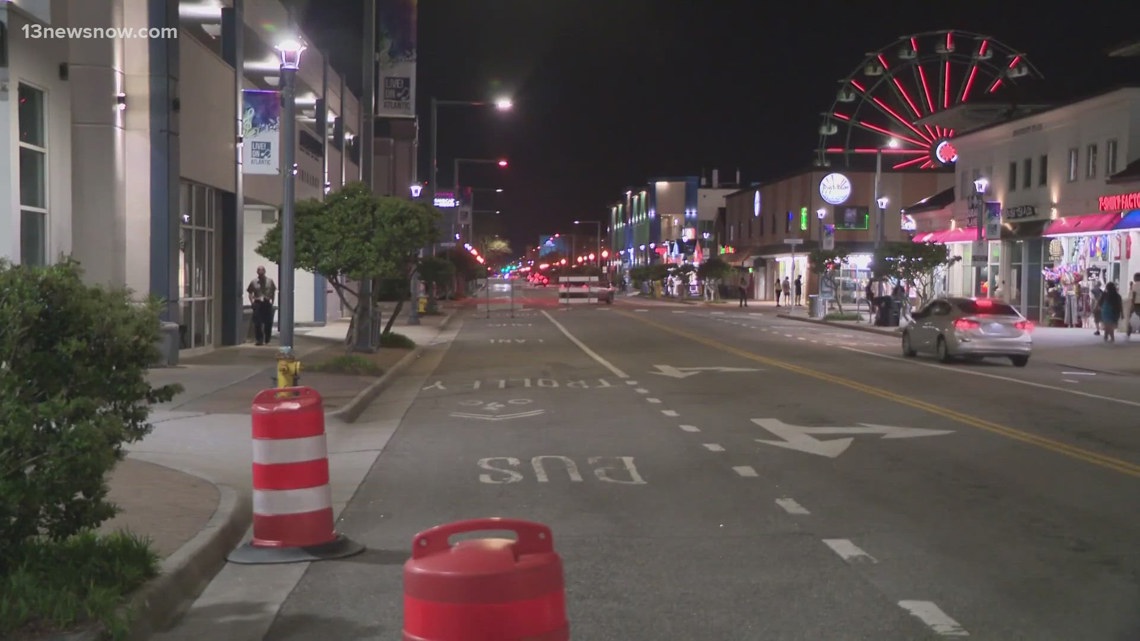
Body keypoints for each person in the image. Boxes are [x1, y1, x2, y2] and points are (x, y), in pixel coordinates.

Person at [247, 265, 277, 345]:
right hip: (258, 303)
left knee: (268, 322)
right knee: (257, 322)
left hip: (267, 303)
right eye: (259, 270)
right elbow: (250, 292)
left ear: (264, 271)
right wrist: (252, 302)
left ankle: (267, 338)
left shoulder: (270, 281)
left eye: (262, 270)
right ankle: (259, 339)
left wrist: (272, 302)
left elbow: (273, 292)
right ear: (257, 272)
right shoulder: (254, 282)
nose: (260, 271)